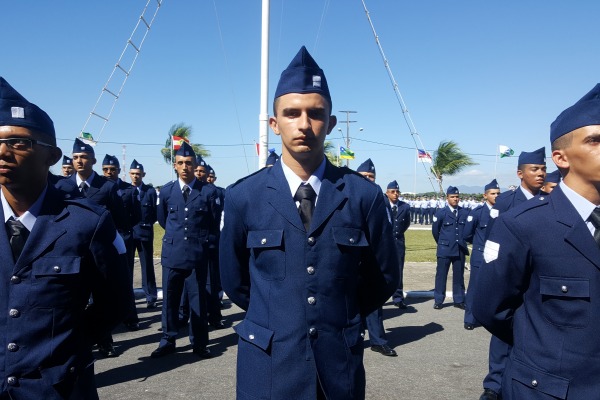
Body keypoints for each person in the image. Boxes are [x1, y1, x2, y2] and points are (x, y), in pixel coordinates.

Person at [220, 46, 398, 399]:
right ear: (274, 124)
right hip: (269, 364)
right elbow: (234, 281)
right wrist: (280, 315)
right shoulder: (244, 197)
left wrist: (339, 317)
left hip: (337, 364)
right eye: (291, 113)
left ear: (330, 123)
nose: (304, 124)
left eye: (316, 114)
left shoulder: (363, 196)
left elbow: (383, 277)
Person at [0, 76, 131, 399]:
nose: (3, 152)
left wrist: (63, 345)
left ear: (52, 157)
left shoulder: (86, 223)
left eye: (19, 143)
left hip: (57, 387)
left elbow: (113, 304)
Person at [473, 83, 600, 399]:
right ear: (562, 157)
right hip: (551, 389)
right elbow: (490, 307)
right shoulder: (524, 224)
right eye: (595, 140)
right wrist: (542, 344)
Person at [478, 147, 547, 400]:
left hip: (538, 276)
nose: (540, 174)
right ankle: (494, 383)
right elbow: (491, 242)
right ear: (520, 173)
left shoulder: (551, 200)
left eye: (542, 169)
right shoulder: (506, 202)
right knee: (503, 328)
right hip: (510, 273)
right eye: (534, 169)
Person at [151, 141, 220, 359]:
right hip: (173, 254)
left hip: (196, 255)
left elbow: (212, 222)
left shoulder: (207, 192)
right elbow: (162, 219)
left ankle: (199, 343)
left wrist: (201, 243)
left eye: (188, 163)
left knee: (197, 299)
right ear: (175, 165)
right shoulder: (167, 191)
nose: (184, 167)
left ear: (194, 165)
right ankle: (168, 339)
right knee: (170, 301)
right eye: (180, 163)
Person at [70, 139, 129, 357]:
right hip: (73, 253)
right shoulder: (64, 186)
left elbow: (120, 219)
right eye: (75, 157)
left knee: (101, 298)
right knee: (73, 300)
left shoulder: (107, 187)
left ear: (93, 161)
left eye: (84, 157)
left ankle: (104, 340)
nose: (79, 161)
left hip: (99, 254)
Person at [356, 159, 398, 357]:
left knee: (374, 300)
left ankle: (378, 340)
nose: (368, 179)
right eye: (364, 176)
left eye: (371, 177)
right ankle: (353, 337)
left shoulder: (380, 199)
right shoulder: (347, 195)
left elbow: (386, 230)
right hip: (352, 255)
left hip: (373, 256)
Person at [462, 179, 500, 331]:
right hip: (480, 255)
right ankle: (470, 318)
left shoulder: (504, 212)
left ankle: (491, 318)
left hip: (498, 257)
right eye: (493, 193)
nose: (496, 196)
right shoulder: (477, 213)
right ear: (485, 195)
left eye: (498, 193)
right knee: (475, 287)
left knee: (496, 289)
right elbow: (467, 234)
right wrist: (479, 245)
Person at [431, 186, 469, 309]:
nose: (455, 199)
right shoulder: (441, 213)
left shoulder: (464, 212)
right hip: (445, 249)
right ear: (447, 198)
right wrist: (443, 243)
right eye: (452, 197)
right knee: (441, 275)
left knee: (459, 275)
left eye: (457, 197)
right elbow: (435, 231)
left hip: (459, 249)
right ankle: (438, 300)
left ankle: (458, 299)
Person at [129, 159, 158, 309]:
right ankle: (127, 297)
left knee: (147, 266)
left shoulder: (150, 191)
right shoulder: (125, 190)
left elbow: (155, 213)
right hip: (129, 234)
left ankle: (151, 296)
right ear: (129, 174)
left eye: (138, 174)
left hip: (145, 233)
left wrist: (146, 224)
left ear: (143, 175)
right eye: (133, 174)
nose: (135, 176)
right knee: (128, 267)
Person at [386, 180, 411, 309]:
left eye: (397, 192)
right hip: (384, 243)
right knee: (382, 271)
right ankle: (381, 298)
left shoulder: (405, 207)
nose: (395, 194)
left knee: (398, 271)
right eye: (393, 192)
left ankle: (398, 298)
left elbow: (406, 223)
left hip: (398, 242)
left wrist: (397, 234)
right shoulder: (382, 205)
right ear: (387, 193)